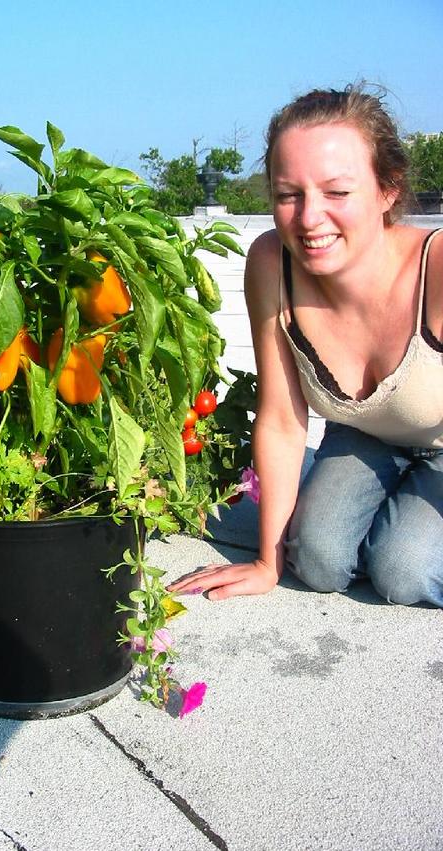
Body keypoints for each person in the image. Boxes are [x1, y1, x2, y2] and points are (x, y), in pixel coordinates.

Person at [169, 85, 443, 607]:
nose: (309, 218)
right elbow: (279, 417)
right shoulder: (273, 263)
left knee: (403, 571)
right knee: (315, 561)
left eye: (337, 193)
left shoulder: (438, 270)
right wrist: (267, 564)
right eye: (288, 194)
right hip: (366, 437)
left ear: (387, 190)